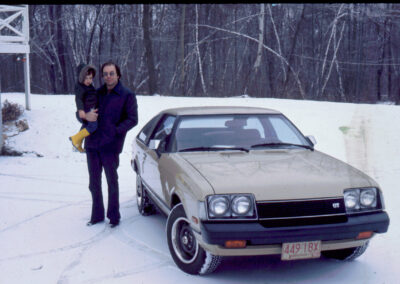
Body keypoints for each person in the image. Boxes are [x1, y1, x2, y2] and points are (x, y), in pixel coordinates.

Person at [84, 61, 138, 228]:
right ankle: (97, 215)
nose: (108, 76)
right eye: (105, 73)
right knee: (94, 183)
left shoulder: (127, 95)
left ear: (118, 75)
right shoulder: (96, 93)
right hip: (92, 143)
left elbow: (132, 119)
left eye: (111, 73)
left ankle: (114, 217)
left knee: (111, 181)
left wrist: (115, 130)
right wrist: (84, 116)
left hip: (111, 145)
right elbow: (81, 110)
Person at [69, 64, 98, 153]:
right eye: (87, 78)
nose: (89, 80)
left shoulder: (90, 87)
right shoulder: (80, 87)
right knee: (93, 126)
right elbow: (78, 99)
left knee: (86, 126)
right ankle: (76, 138)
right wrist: (80, 110)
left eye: (91, 78)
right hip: (84, 112)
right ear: (82, 78)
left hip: (90, 111)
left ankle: (77, 144)